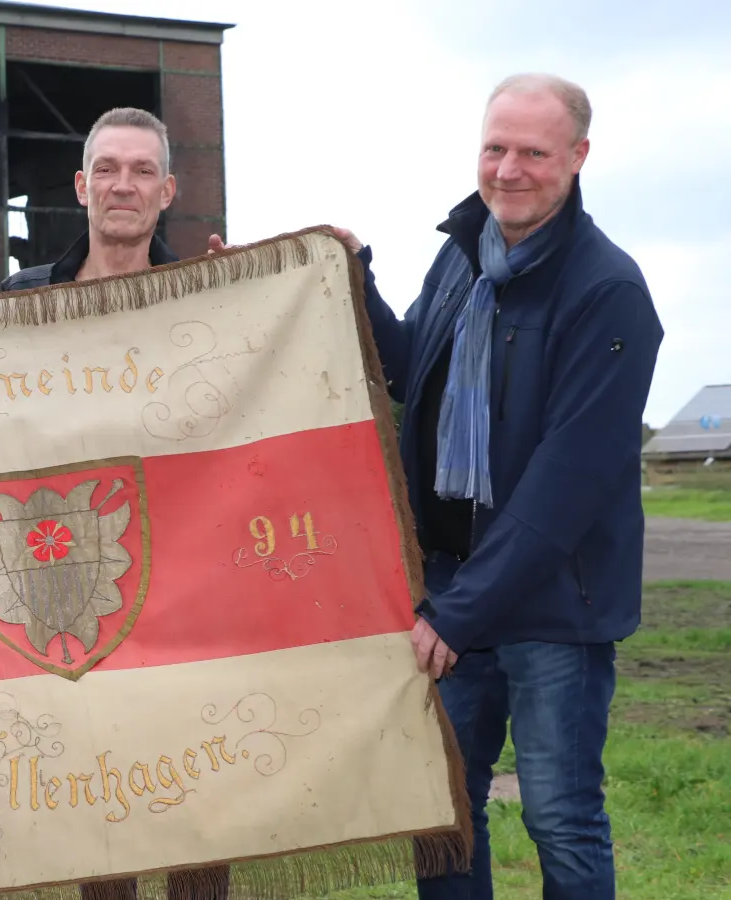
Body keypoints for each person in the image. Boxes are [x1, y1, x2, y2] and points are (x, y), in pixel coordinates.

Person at [222, 74, 658, 899]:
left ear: (578, 156)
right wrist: (356, 277)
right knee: (444, 814)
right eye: (496, 148)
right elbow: (407, 367)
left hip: (552, 606)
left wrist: (459, 614)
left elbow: (568, 481)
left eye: (534, 151)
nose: (509, 169)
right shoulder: (462, 256)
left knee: (560, 816)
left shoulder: (609, 292)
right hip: (453, 583)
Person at [0, 106, 179, 297]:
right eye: (105, 169)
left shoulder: (195, 298)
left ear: (166, 192)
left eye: (144, 171)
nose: (123, 187)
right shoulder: (21, 295)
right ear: (82, 188)